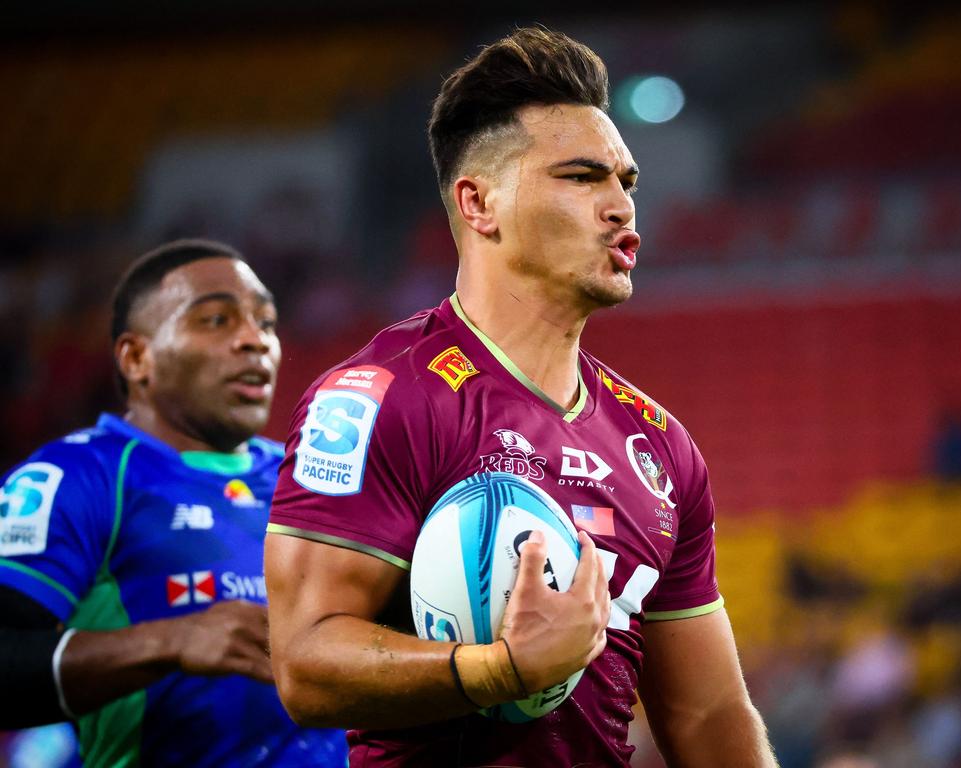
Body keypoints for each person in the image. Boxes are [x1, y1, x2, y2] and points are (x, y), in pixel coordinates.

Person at [266, 27, 776, 767]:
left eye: (625, 183)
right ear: (479, 203)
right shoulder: (380, 398)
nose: (620, 208)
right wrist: (502, 671)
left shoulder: (662, 449)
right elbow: (306, 665)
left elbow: (710, 714)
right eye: (581, 177)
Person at [0, 240, 348, 767]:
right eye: (215, 321)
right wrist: (169, 641)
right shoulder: (80, 478)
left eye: (267, 323)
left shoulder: (316, 482)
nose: (255, 341)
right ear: (137, 358)